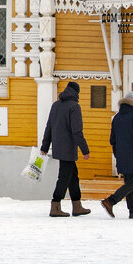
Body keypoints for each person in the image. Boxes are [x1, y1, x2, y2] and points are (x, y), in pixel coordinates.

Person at [41, 81, 91, 217]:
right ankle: (55, 205)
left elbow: (49, 127)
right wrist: (85, 150)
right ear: (76, 93)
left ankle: (77, 205)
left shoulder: (56, 105)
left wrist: (45, 146)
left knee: (73, 176)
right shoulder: (74, 107)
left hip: (58, 147)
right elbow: (77, 131)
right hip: (68, 148)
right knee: (64, 177)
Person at [102, 90, 133, 220]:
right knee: (132, 183)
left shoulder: (116, 117)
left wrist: (117, 154)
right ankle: (110, 201)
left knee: (128, 182)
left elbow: (113, 140)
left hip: (121, 154)